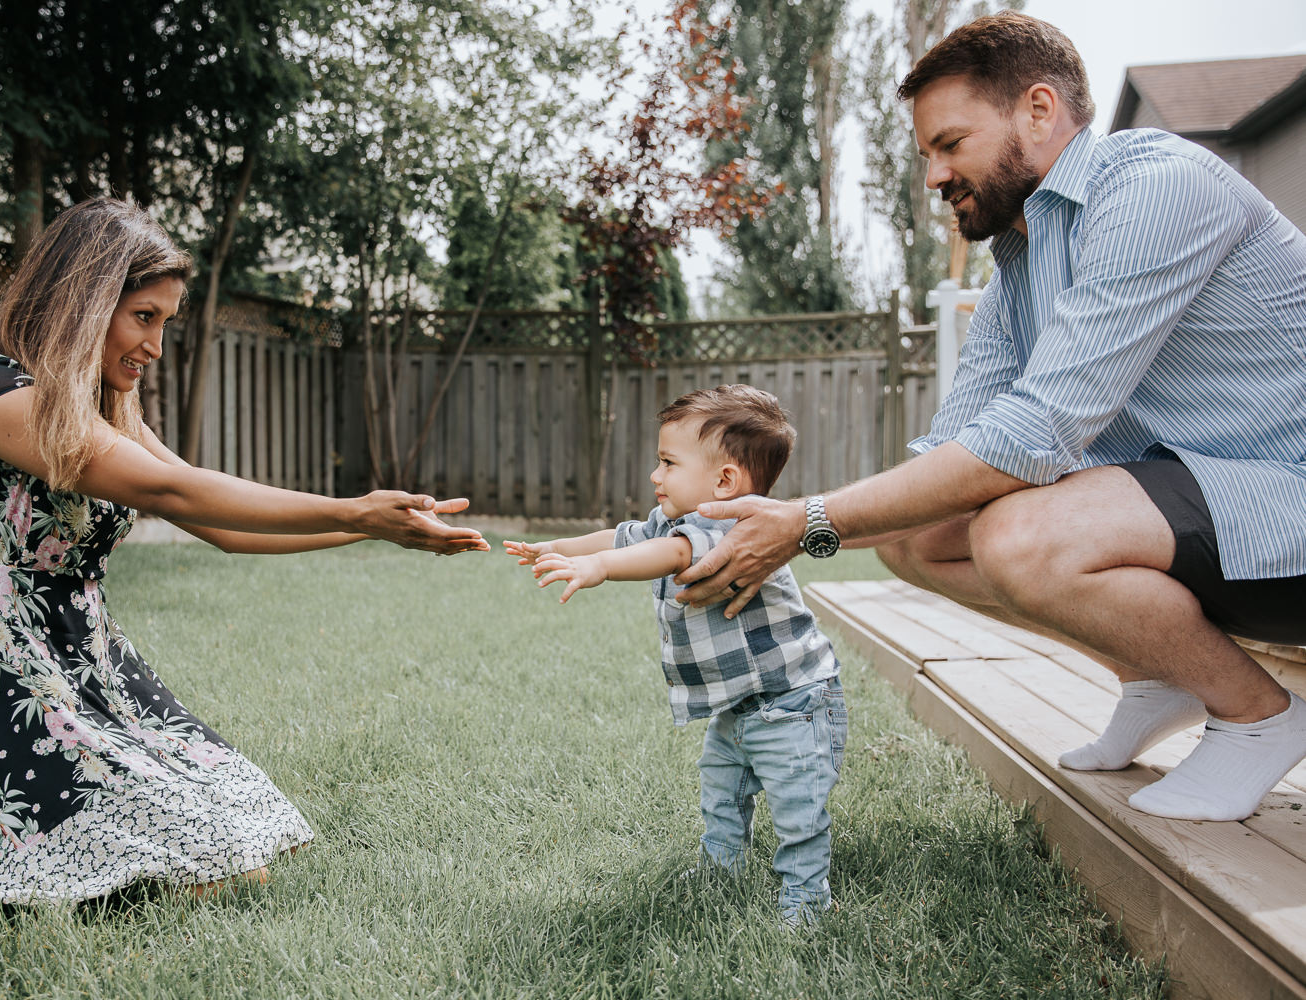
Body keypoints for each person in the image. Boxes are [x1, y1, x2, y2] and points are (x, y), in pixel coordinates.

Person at [672, 12, 1306, 824]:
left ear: (1038, 111)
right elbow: (954, 452)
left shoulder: (1156, 187)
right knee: (916, 536)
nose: (934, 176)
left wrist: (805, 522)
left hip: (1284, 507)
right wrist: (784, 528)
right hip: (1216, 522)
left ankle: (1260, 715)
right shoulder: (1021, 262)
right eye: (927, 154)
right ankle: (1158, 676)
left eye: (951, 144)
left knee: (1021, 536)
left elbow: (1030, 439)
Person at [0, 197, 489, 909]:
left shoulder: (97, 404)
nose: (156, 347)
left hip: (90, 664)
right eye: (143, 317)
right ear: (83, 302)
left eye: (165, 322)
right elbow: (176, 491)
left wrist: (377, 528)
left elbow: (222, 527)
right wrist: (353, 507)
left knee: (247, 829)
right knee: (209, 860)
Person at [504, 385, 847, 924]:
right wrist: (560, 548)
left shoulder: (732, 527)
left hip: (794, 699)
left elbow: (668, 555)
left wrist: (599, 571)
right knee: (722, 786)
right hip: (740, 700)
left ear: (724, 480)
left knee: (798, 806)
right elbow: (623, 537)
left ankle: (806, 897)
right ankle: (722, 863)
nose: (654, 475)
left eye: (667, 462)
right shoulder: (670, 520)